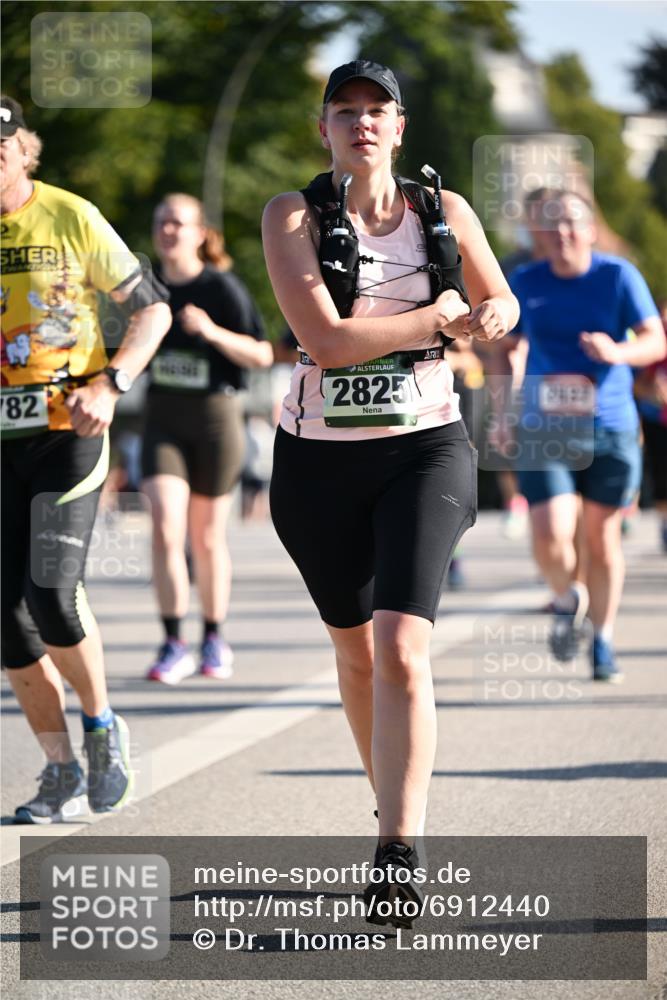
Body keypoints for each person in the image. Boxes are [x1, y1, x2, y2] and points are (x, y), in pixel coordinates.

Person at [262, 60, 518, 924]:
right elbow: (327, 344)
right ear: (324, 127)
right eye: (345, 111)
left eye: (378, 111)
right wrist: (440, 316)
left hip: (424, 448)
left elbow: (502, 299)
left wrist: (488, 315)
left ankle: (397, 849)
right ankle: (392, 804)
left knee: (402, 644)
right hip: (316, 462)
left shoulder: (442, 212)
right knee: (357, 653)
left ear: (399, 128)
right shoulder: (291, 215)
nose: (362, 124)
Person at [1, 96, 171, 823]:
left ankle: (102, 727)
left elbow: (152, 307)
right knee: (5, 621)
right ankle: (60, 769)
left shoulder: (69, 215)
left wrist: (113, 380)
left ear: (22, 151)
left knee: (50, 591)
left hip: (70, 426)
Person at [492, 189, 665, 681]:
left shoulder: (617, 276)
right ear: (539, 235)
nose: (562, 232)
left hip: (610, 426)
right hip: (545, 427)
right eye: (550, 224)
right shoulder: (525, 281)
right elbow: (506, 350)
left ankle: (604, 639)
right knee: (550, 533)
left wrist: (617, 352)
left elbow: (654, 338)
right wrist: (503, 413)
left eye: (571, 222)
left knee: (603, 539)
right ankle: (568, 597)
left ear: (589, 230)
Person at [142, 194, 272, 684]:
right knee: (164, 526)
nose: (169, 230)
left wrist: (212, 332)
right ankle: (174, 641)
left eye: (179, 222)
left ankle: (214, 637)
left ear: (199, 233)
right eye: (162, 222)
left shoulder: (220, 287)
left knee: (206, 536)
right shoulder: (143, 287)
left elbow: (262, 353)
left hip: (216, 419)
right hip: (163, 419)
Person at [634, 298, 667, 552]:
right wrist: (653, 392)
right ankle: (665, 522)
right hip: (657, 420)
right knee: (660, 473)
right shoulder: (654, 346)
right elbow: (636, 383)